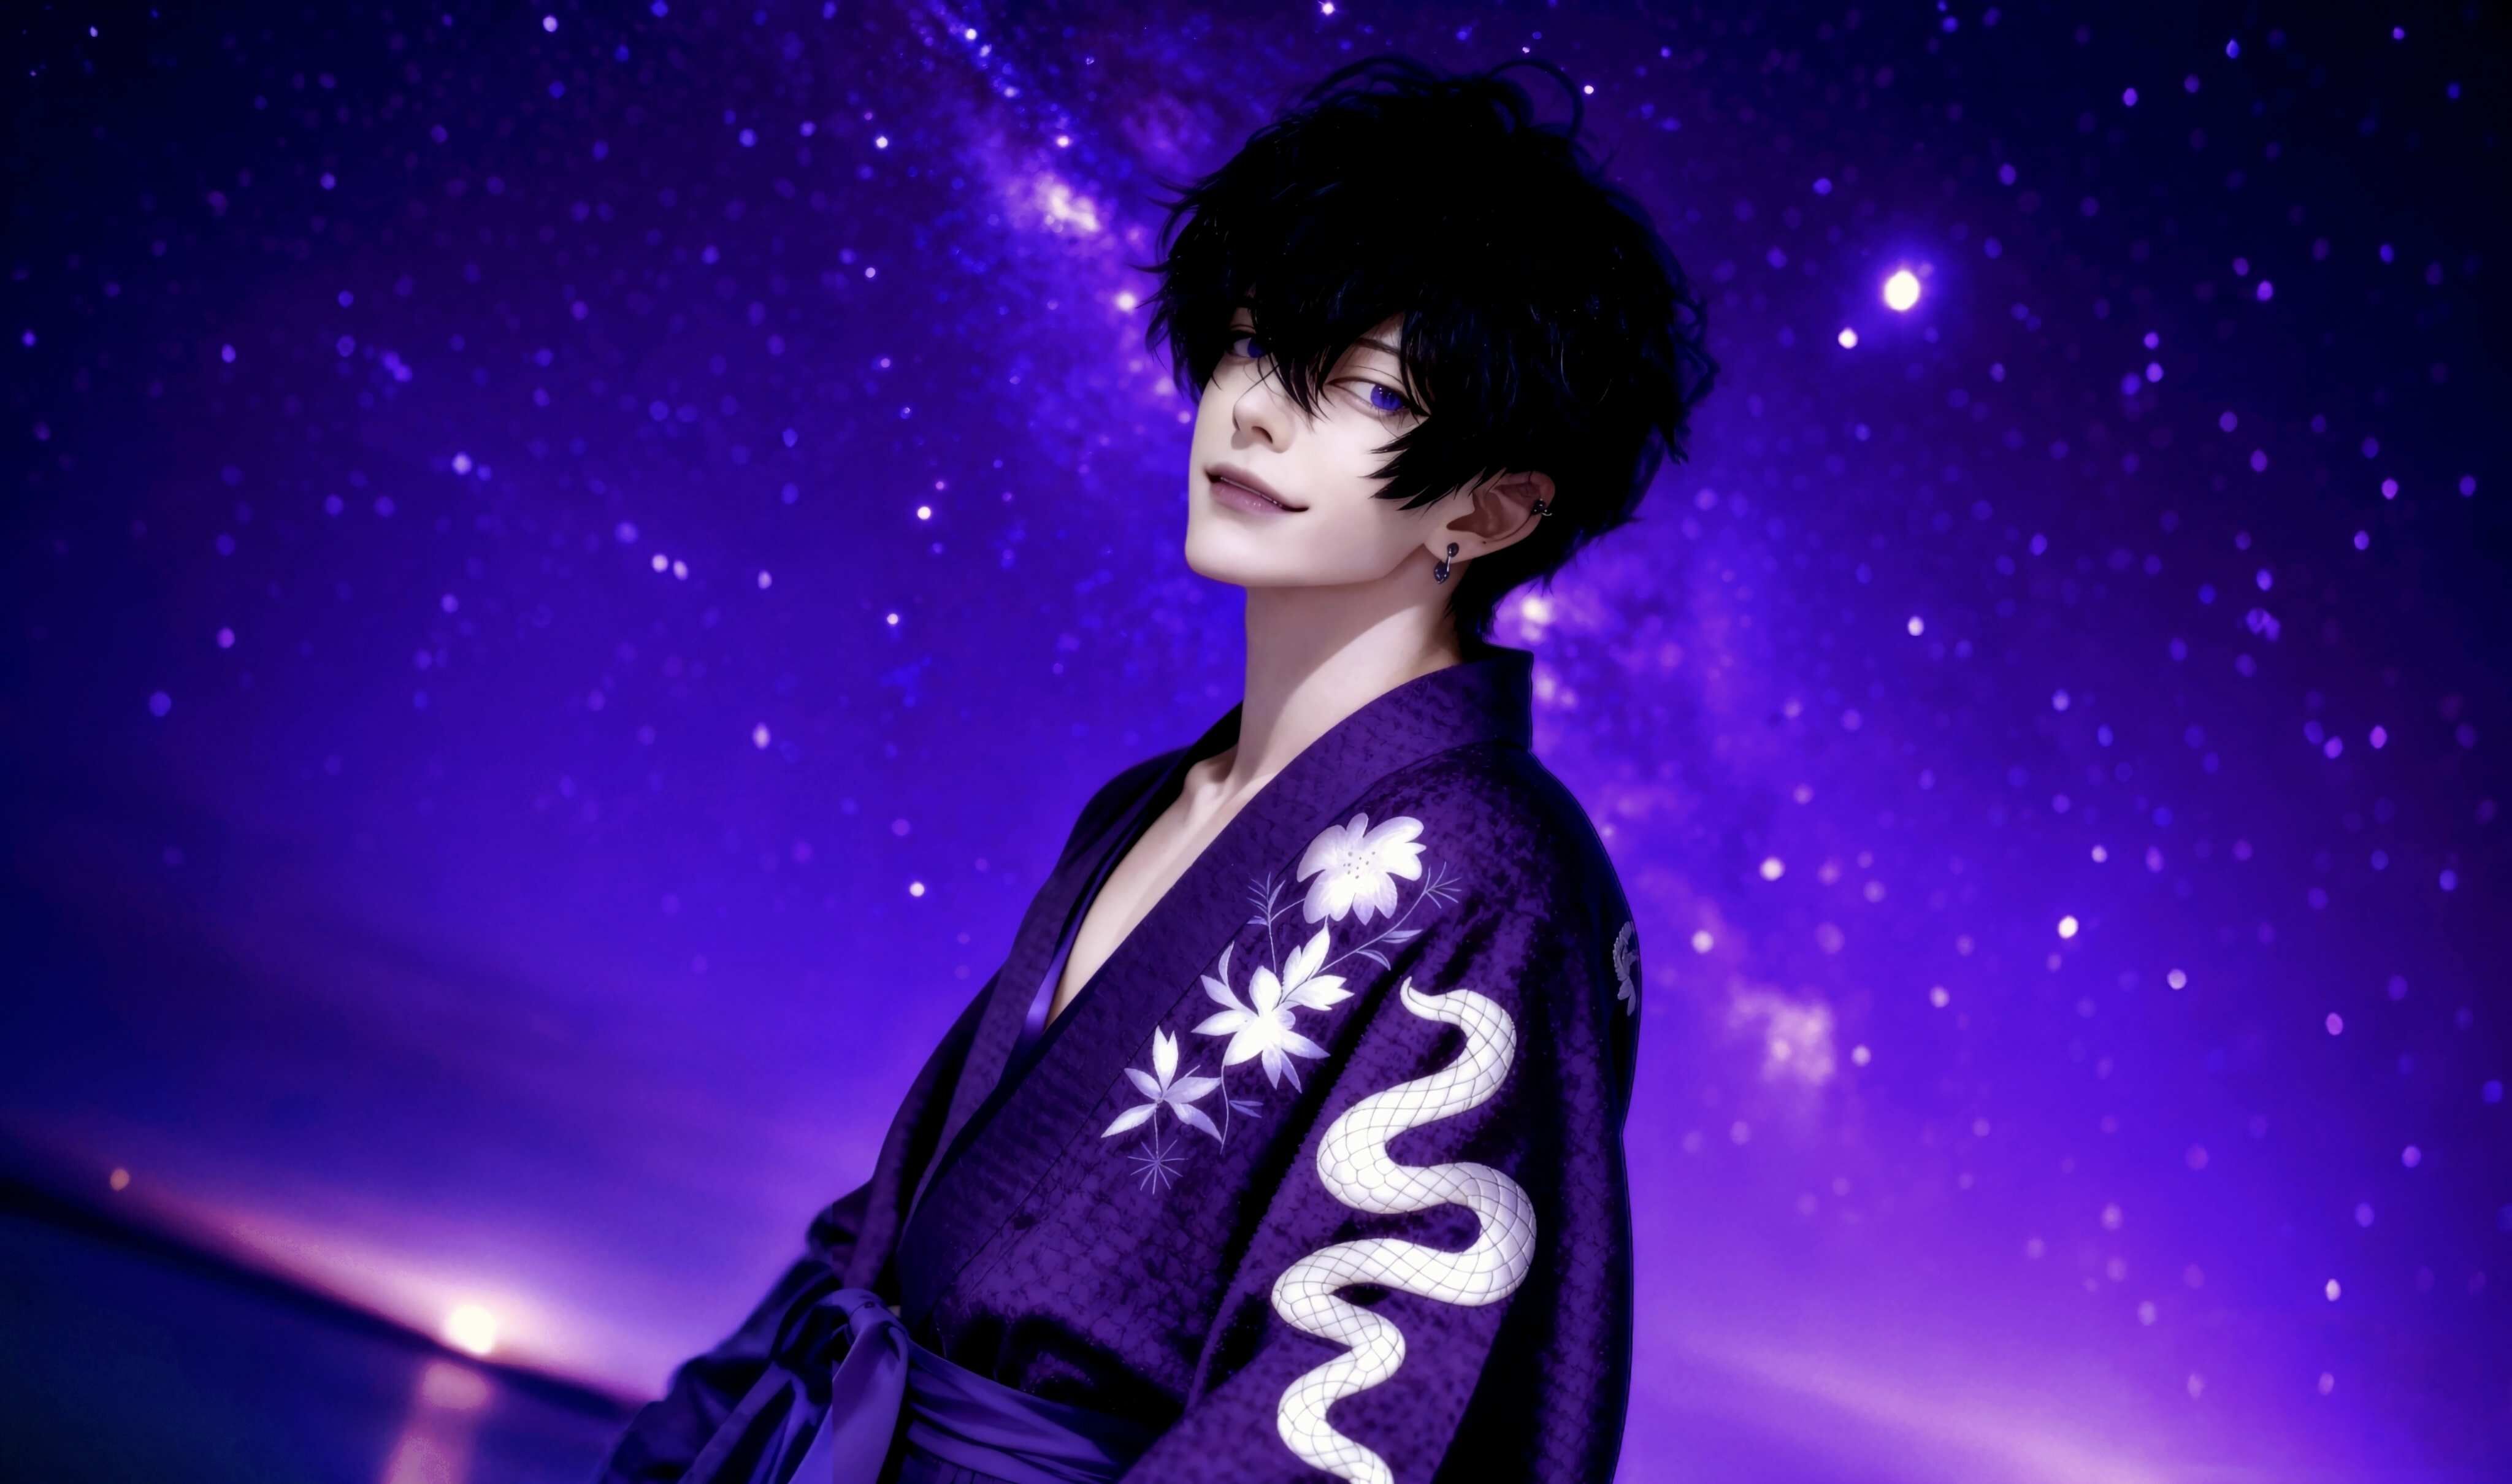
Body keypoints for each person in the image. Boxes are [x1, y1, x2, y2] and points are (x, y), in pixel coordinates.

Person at [594, 50, 1717, 1484]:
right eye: (1251, 344)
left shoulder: (1494, 876)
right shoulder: (1144, 804)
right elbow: (889, 1233)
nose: (1254, 411)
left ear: (1492, 512)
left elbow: (1368, 1410)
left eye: (1368, 394)